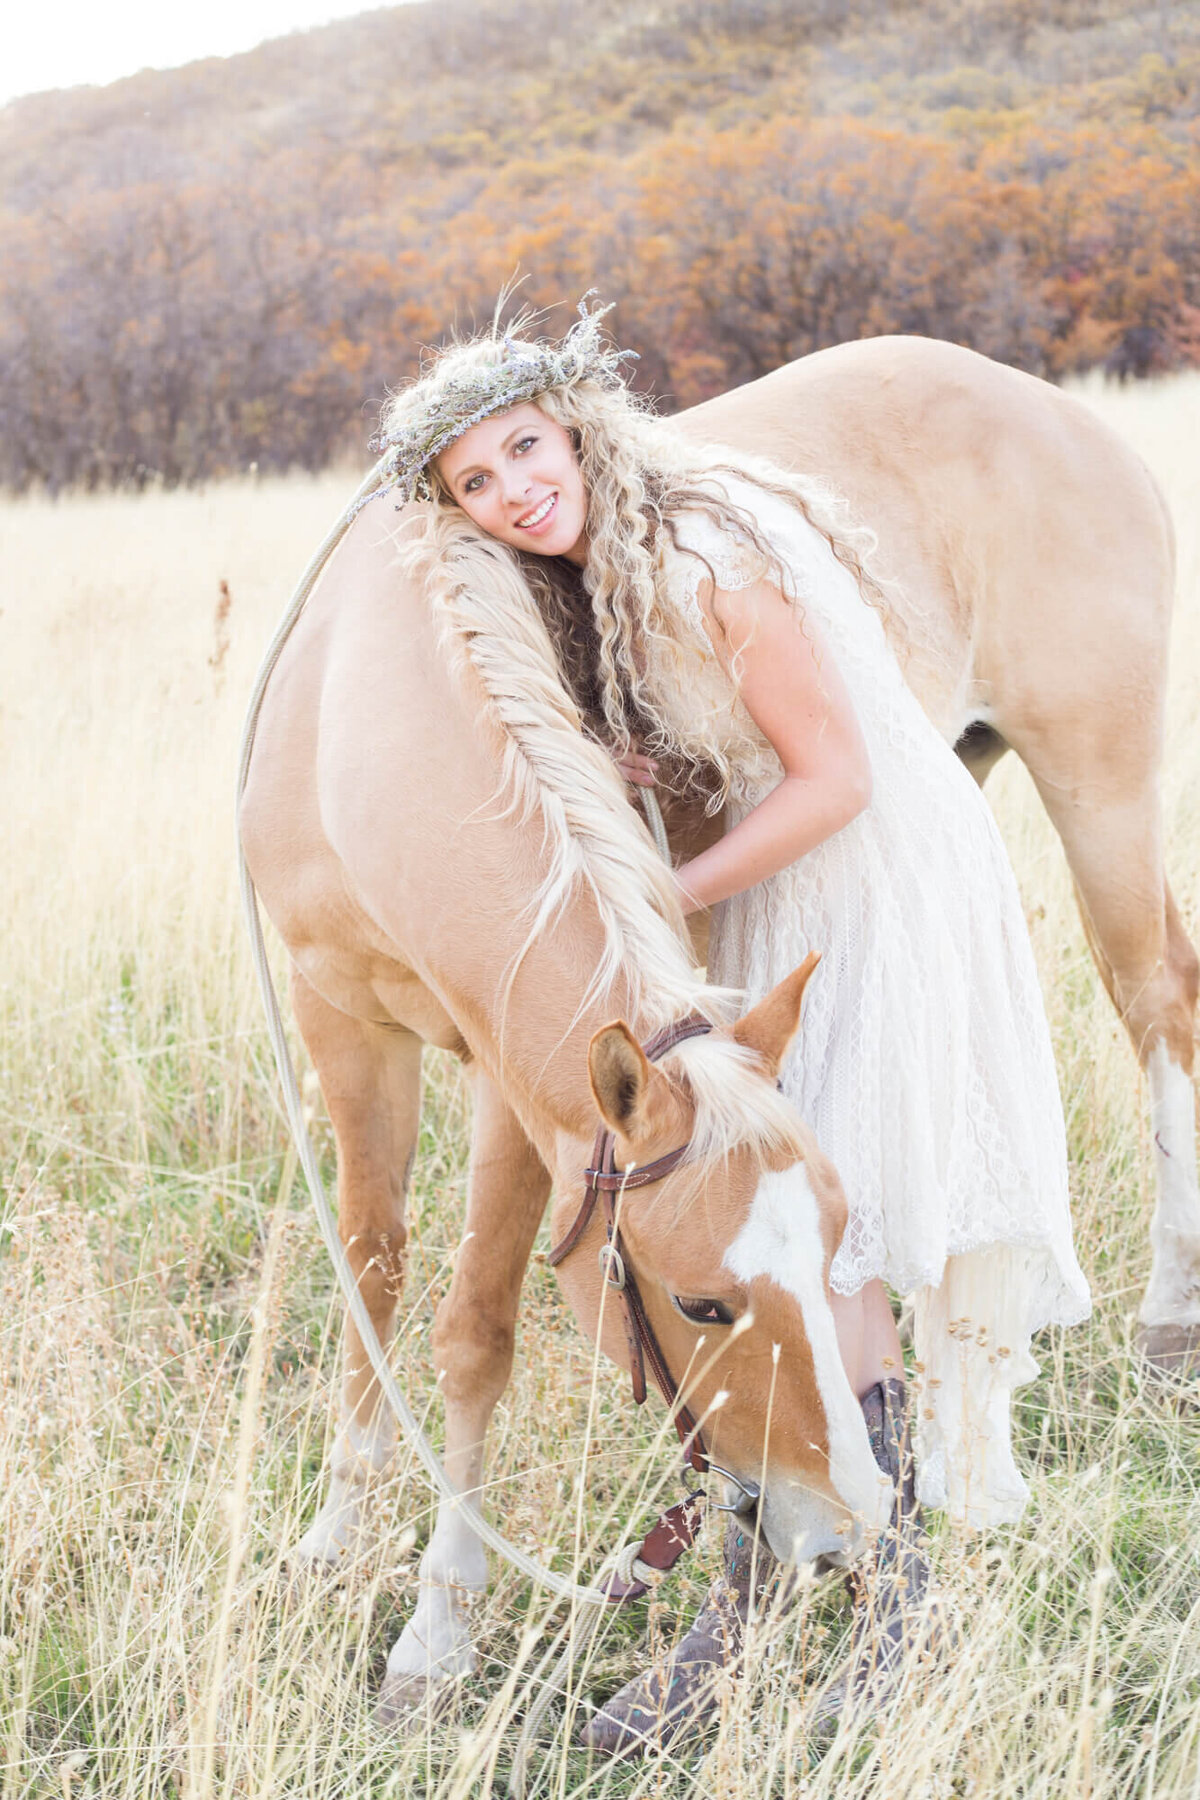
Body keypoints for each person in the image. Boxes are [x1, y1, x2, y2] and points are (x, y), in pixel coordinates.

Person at [367, 300, 1091, 1748]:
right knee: (772, 1228)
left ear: (569, 423)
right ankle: (760, 1610)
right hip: (776, 889)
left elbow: (836, 781)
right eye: (479, 485)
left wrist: (666, 884)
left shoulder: (701, 548)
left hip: (863, 885)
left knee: (850, 1224)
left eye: (525, 447)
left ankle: (895, 1622)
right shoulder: (604, 564)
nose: (518, 488)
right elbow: (736, 739)